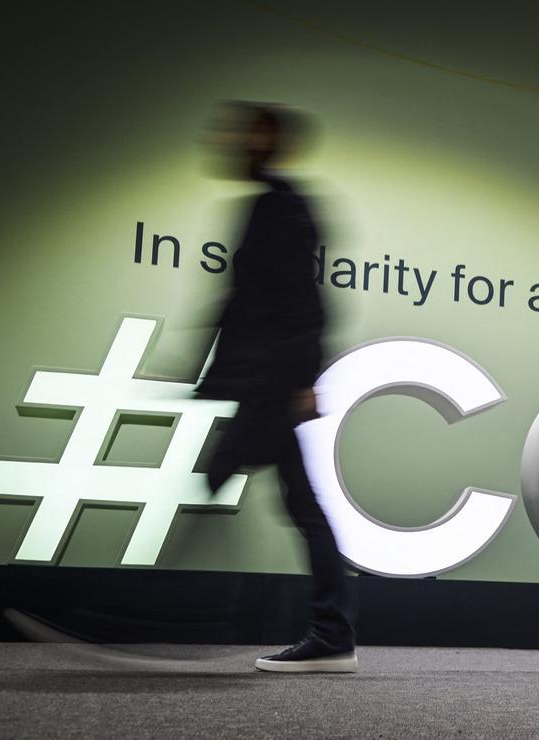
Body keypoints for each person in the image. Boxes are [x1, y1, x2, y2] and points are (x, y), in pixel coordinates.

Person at [196, 102, 357, 673]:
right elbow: (245, 303)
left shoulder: (283, 209)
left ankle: (162, 620)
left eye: (249, 131)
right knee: (298, 504)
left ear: (273, 141)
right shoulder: (269, 206)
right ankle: (332, 633)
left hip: (274, 380)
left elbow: (302, 301)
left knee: (220, 478)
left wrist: (301, 380)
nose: (236, 139)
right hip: (267, 378)